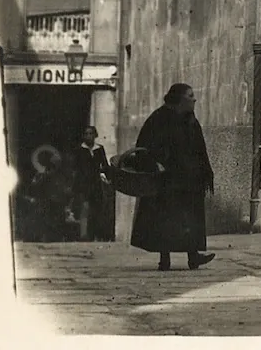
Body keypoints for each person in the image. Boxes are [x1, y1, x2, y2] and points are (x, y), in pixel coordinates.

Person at [130, 84, 216, 271]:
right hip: (169, 180)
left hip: (190, 180)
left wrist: (206, 171)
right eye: (190, 96)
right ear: (180, 99)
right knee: (166, 218)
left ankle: (194, 256)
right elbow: (144, 147)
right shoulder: (159, 119)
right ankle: (165, 259)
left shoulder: (191, 120)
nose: (194, 99)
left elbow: (200, 149)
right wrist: (155, 164)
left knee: (191, 217)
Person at [69, 126, 114, 242]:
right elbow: (75, 167)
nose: (89, 136)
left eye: (91, 133)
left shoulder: (99, 149)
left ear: (95, 135)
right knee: (85, 207)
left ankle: (95, 233)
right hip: (83, 183)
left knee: (97, 209)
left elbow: (104, 165)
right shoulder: (79, 150)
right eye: (86, 133)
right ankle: (83, 235)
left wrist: (109, 177)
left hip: (96, 183)